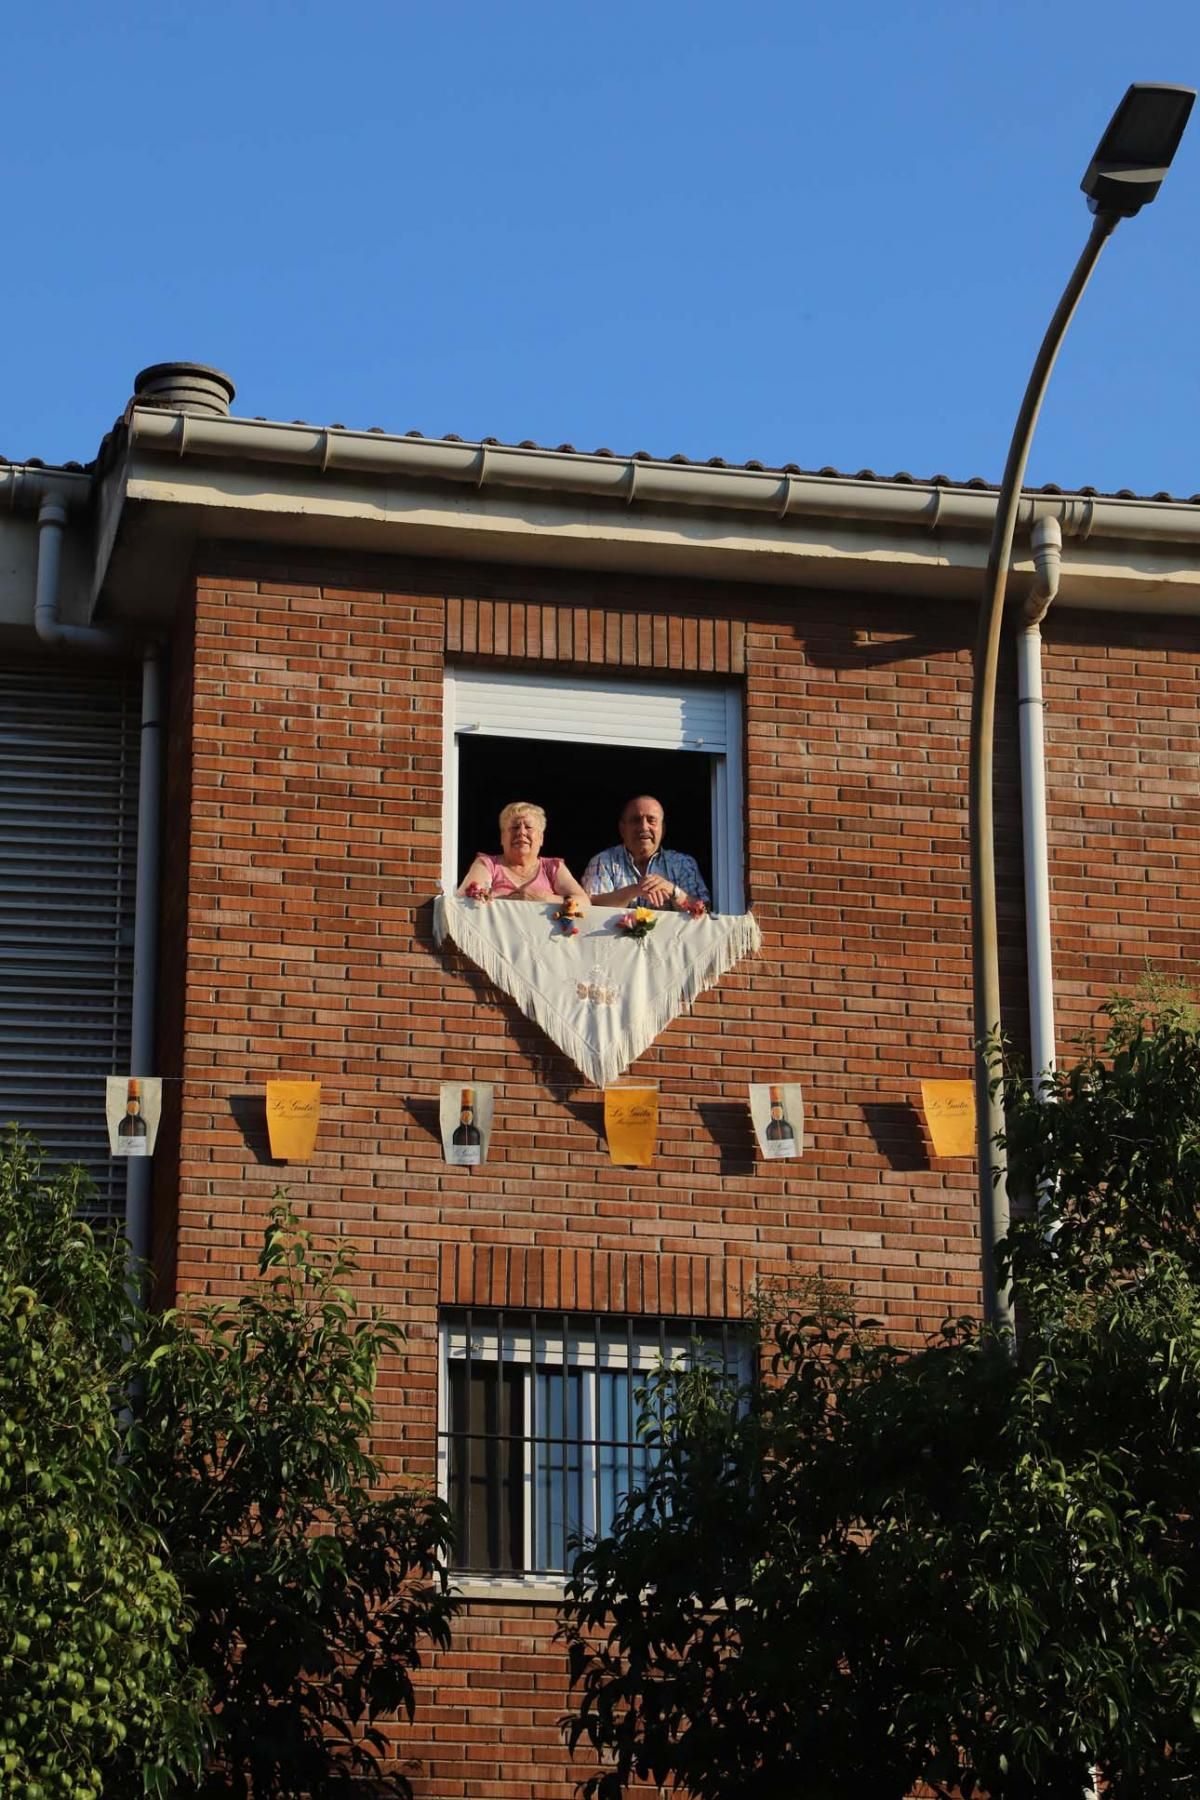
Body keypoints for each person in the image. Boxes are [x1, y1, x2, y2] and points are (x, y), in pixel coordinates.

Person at [582, 795, 711, 911]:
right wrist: (635, 890)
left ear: (663, 829)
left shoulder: (683, 863)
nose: (643, 827)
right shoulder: (603, 861)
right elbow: (589, 906)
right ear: (622, 829)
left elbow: (704, 911)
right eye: (635, 820)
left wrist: (674, 891)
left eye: (651, 820)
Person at [457, 801, 590, 904]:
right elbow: (464, 901)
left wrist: (545, 899)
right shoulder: (487, 864)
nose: (521, 832)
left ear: (541, 838)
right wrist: (509, 901)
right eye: (514, 827)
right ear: (502, 837)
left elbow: (584, 902)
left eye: (529, 827)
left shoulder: (552, 867)